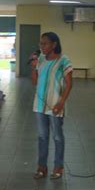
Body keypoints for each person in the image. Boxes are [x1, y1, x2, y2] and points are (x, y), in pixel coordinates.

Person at [31, 32, 73, 180]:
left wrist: (61, 102)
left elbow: (69, 84)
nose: (41, 46)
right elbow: (35, 82)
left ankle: (58, 167)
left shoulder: (63, 60)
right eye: (40, 43)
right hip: (39, 105)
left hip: (55, 104)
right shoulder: (41, 59)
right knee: (42, 137)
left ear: (54, 44)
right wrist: (34, 67)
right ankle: (42, 167)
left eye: (45, 43)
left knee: (57, 137)